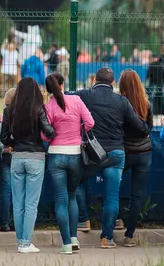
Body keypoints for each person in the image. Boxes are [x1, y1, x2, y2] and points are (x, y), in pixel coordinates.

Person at [75, 67, 148, 249]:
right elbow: (140, 126)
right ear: (113, 83)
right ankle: (107, 238)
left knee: (75, 182)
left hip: (93, 153)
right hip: (116, 153)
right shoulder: (122, 101)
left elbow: (65, 97)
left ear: (94, 81)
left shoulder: (84, 95)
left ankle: (83, 219)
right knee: (112, 196)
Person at [1, 77, 55, 253]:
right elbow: (49, 131)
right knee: (31, 203)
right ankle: (26, 242)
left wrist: (15, 144)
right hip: (36, 157)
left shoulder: (9, 111)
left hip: (17, 157)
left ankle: (20, 242)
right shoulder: (39, 109)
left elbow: (3, 138)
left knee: (18, 203)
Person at [44, 72, 93, 255]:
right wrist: (76, 132)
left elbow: (44, 134)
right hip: (75, 154)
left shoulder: (48, 107)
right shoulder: (77, 101)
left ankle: (65, 244)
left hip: (56, 155)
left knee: (60, 200)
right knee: (72, 195)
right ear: (62, 84)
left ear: (48, 88)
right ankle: (73, 238)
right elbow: (90, 122)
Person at [118, 69, 153, 247]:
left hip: (124, 152)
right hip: (144, 153)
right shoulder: (146, 104)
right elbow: (149, 128)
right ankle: (129, 235)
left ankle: (117, 219)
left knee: (113, 186)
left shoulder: (120, 104)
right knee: (136, 195)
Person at [0, 87, 16, 233]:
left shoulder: (1, 116)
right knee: (19, 190)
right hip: (18, 153)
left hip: (4, 153)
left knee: (5, 189)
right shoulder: (23, 115)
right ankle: (17, 221)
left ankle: (4, 223)